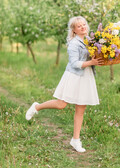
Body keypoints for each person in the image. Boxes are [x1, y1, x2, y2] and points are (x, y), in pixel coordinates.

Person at [25, 16, 104, 153]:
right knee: (61, 104)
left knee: (81, 109)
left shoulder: (90, 41)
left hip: (86, 77)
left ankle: (75, 140)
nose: (83, 27)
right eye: (79, 26)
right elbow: (74, 64)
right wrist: (91, 63)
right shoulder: (74, 44)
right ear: (74, 30)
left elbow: (92, 56)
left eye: (84, 24)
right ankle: (37, 107)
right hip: (74, 76)